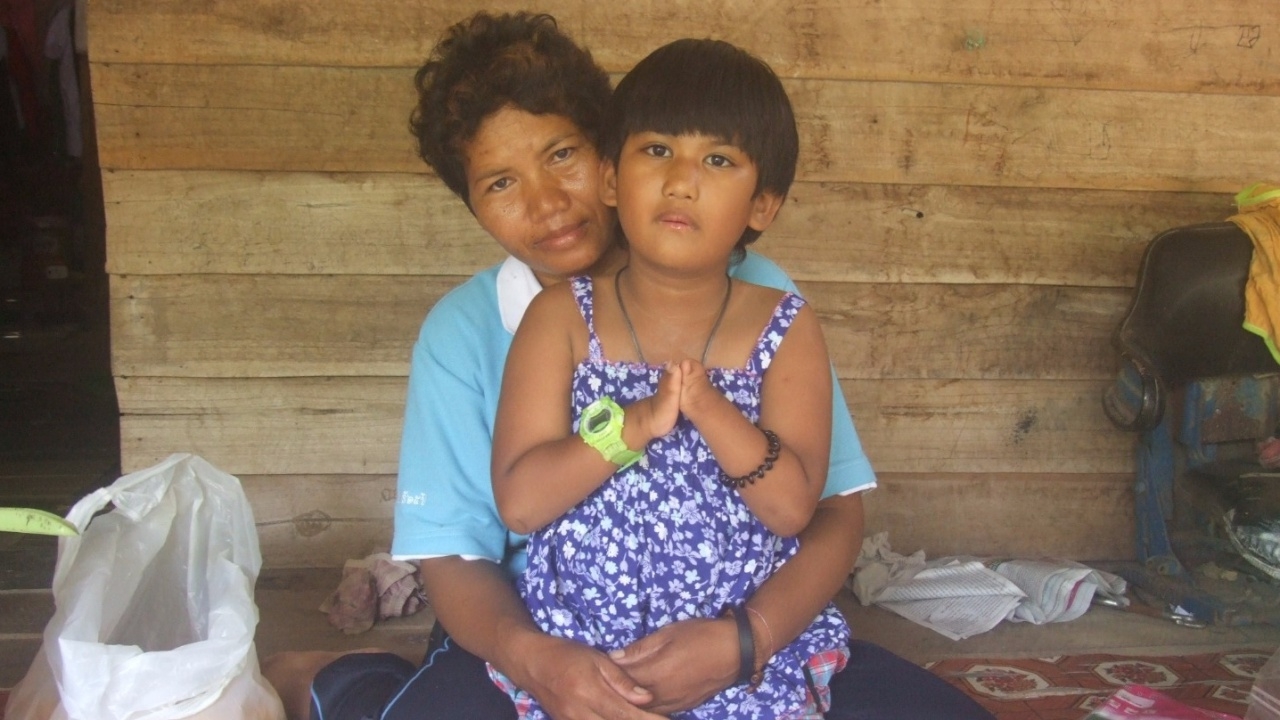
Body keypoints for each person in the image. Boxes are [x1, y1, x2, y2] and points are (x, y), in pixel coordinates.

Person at [262, 12, 994, 720]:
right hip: (530, 629)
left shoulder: (761, 299)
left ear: (606, 160)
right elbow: (458, 557)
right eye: (500, 183)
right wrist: (542, 663)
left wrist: (748, 640)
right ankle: (345, 686)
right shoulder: (463, 333)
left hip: (742, 624)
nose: (547, 204)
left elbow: (827, 509)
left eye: (562, 156)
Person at [487, 38, 849, 720]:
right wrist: (634, 426)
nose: (682, 181)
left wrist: (711, 411)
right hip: (585, 658)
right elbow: (521, 504)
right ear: (609, 180)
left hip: (738, 663)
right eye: (657, 149)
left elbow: (792, 509)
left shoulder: (784, 326)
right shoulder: (561, 319)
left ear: (763, 204)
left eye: (719, 160)